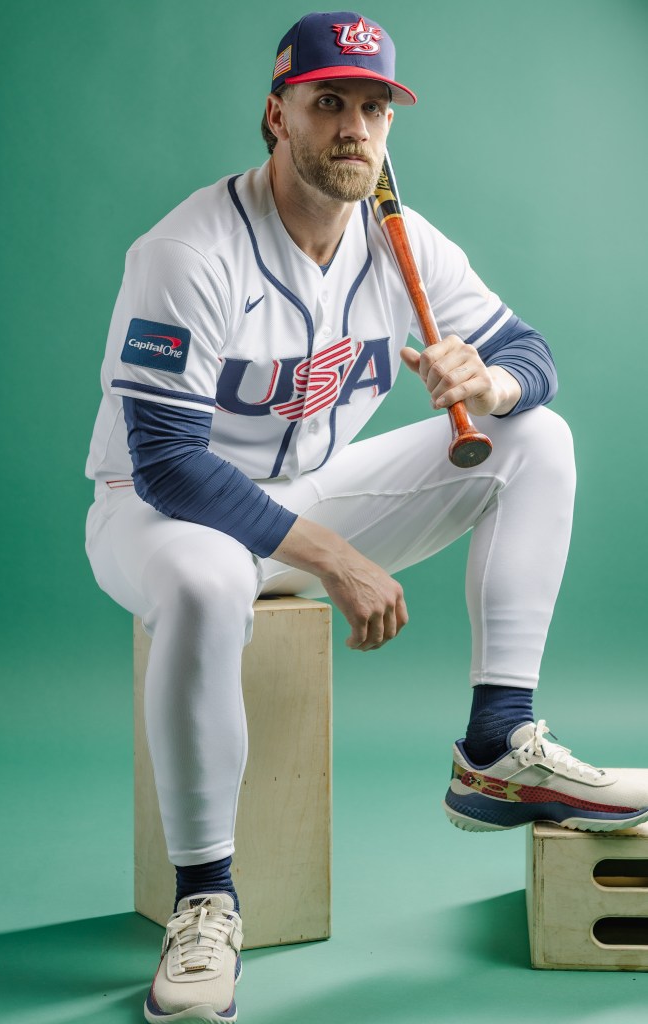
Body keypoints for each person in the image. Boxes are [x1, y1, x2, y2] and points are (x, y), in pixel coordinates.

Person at [85, 11, 648, 1022]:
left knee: (539, 441)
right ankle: (204, 899)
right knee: (208, 576)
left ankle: (495, 747)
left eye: (373, 105)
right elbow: (167, 466)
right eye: (328, 101)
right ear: (277, 114)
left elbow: (532, 355)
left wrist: (491, 380)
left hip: (307, 492)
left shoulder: (399, 238)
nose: (354, 125)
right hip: (155, 517)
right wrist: (334, 558)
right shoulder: (187, 249)